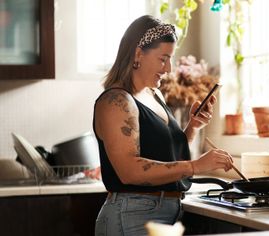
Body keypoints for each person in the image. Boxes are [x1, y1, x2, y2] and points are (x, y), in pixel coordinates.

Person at [93, 15, 234, 236]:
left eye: (171, 58)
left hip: (164, 213)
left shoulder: (154, 94)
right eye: (163, 58)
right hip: (132, 216)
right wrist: (196, 166)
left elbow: (165, 154)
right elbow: (130, 171)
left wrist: (192, 127)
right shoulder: (116, 101)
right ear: (138, 53)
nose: (168, 68)